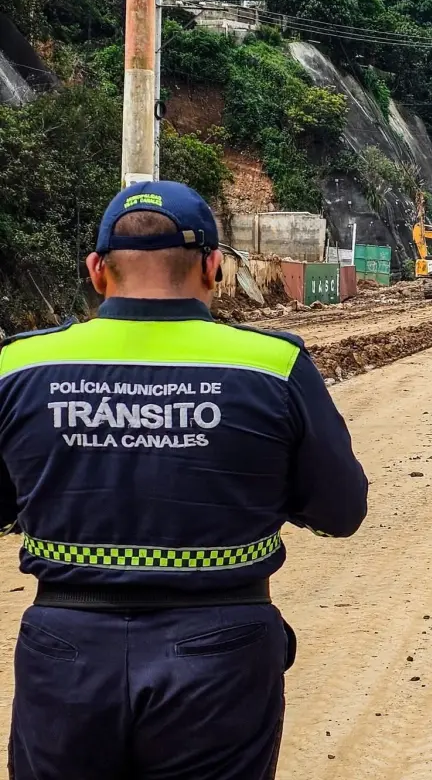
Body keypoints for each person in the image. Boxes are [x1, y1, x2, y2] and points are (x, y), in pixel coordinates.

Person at [0, 181, 369, 778]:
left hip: (65, 651)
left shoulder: (18, 365)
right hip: (220, 652)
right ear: (214, 268)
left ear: (97, 269)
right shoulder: (273, 364)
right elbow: (341, 511)